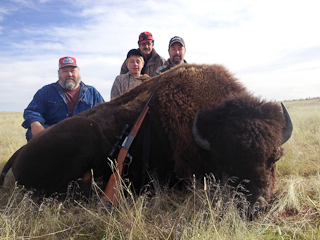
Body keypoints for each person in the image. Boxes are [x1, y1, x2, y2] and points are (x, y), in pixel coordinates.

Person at [22, 56, 105, 141]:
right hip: (55, 135)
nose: (69, 74)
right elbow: (32, 111)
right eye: (65, 71)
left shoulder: (92, 92)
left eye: (73, 71)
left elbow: (104, 112)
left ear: (78, 73)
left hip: (84, 134)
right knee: (30, 133)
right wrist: (35, 124)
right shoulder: (46, 91)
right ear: (59, 73)